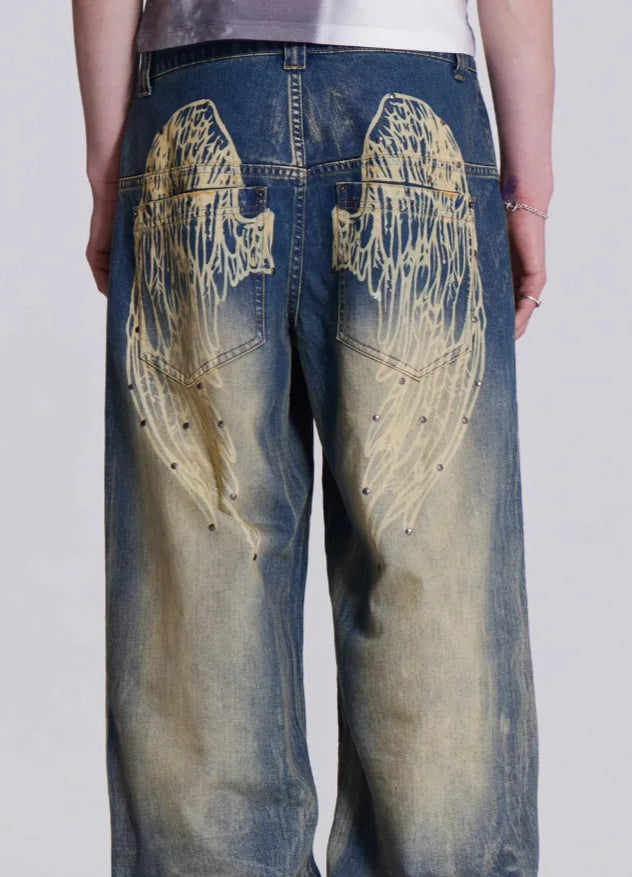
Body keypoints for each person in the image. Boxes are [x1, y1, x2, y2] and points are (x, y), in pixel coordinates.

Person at [72, 0, 554, 874]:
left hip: (198, 98)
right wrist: (529, 186)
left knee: (202, 592)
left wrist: (113, 174)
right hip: (412, 98)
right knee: (434, 587)